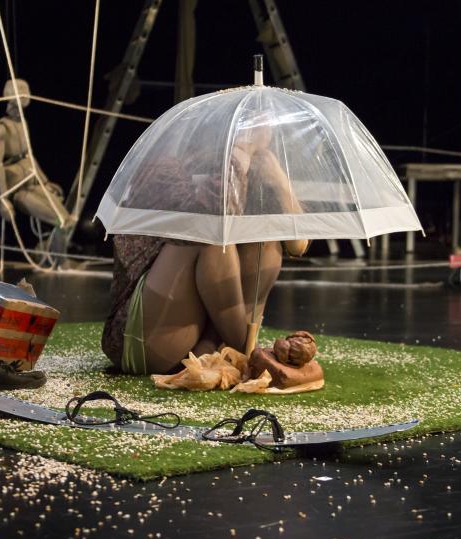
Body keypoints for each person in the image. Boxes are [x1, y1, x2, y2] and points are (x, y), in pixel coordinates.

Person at [101, 117, 309, 375]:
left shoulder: (245, 176)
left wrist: (277, 177)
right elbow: (213, 217)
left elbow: (297, 244)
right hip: (147, 341)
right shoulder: (164, 170)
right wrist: (240, 154)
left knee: (264, 241)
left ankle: (230, 352)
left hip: (203, 340)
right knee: (208, 238)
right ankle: (248, 354)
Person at [0, 79, 71, 252]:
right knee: (59, 218)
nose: (25, 94)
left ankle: (55, 260)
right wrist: (3, 200)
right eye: (20, 90)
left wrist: (45, 181)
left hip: (33, 182)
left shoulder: (23, 123)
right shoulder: (2, 128)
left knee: (66, 218)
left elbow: (29, 155)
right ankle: (55, 261)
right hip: (19, 191)